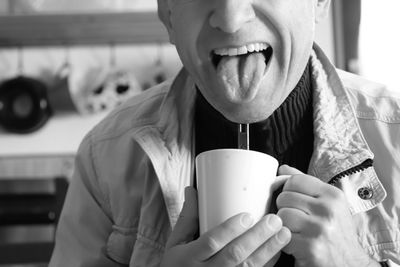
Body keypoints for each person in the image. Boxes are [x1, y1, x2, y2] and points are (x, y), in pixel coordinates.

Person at [50, 0, 400, 266]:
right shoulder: (104, 158)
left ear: (320, 2)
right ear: (168, 15)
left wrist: (359, 262)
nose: (231, 19)